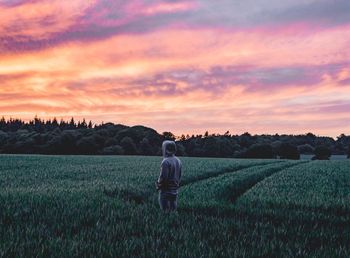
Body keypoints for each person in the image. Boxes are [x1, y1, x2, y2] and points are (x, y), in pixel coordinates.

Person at [156, 140, 182, 212]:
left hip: (166, 190)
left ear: (166, 150)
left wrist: (159, 185)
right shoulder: (178, 160)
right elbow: (179, 175)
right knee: (173, 209)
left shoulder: (165, 161)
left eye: (163, 149)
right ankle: (174, 222)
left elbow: (164, 177)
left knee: (165, 211)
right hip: (175, 190)